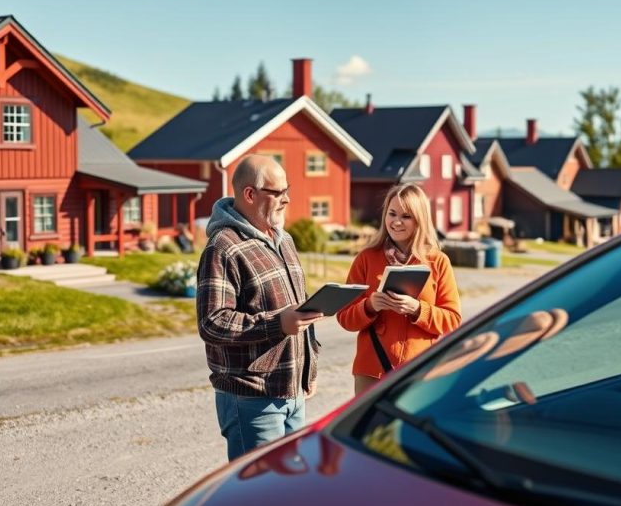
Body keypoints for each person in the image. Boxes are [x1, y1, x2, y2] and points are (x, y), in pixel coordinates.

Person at [197, 154, 323, 461]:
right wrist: (277, 323)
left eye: (287, 190)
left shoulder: (284, 240)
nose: (287, 199)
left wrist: (310, 367)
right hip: (251, 398)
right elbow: (212, 322)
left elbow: (298, 307)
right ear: (250, 194)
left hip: (292, 392)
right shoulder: (222, 247)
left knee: (288, 491)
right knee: (256, 495)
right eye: (278, 193)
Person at [337, 183, 462, 395]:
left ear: (419, 219)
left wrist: (417, 309)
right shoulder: (366, 258)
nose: (396, 222)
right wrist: (369, 306)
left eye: (406, 216)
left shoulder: (438, 261)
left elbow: (452, 320)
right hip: (371, 372)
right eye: (391, 213)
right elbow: (344, 317)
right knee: (371, 429)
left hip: (420, 371)